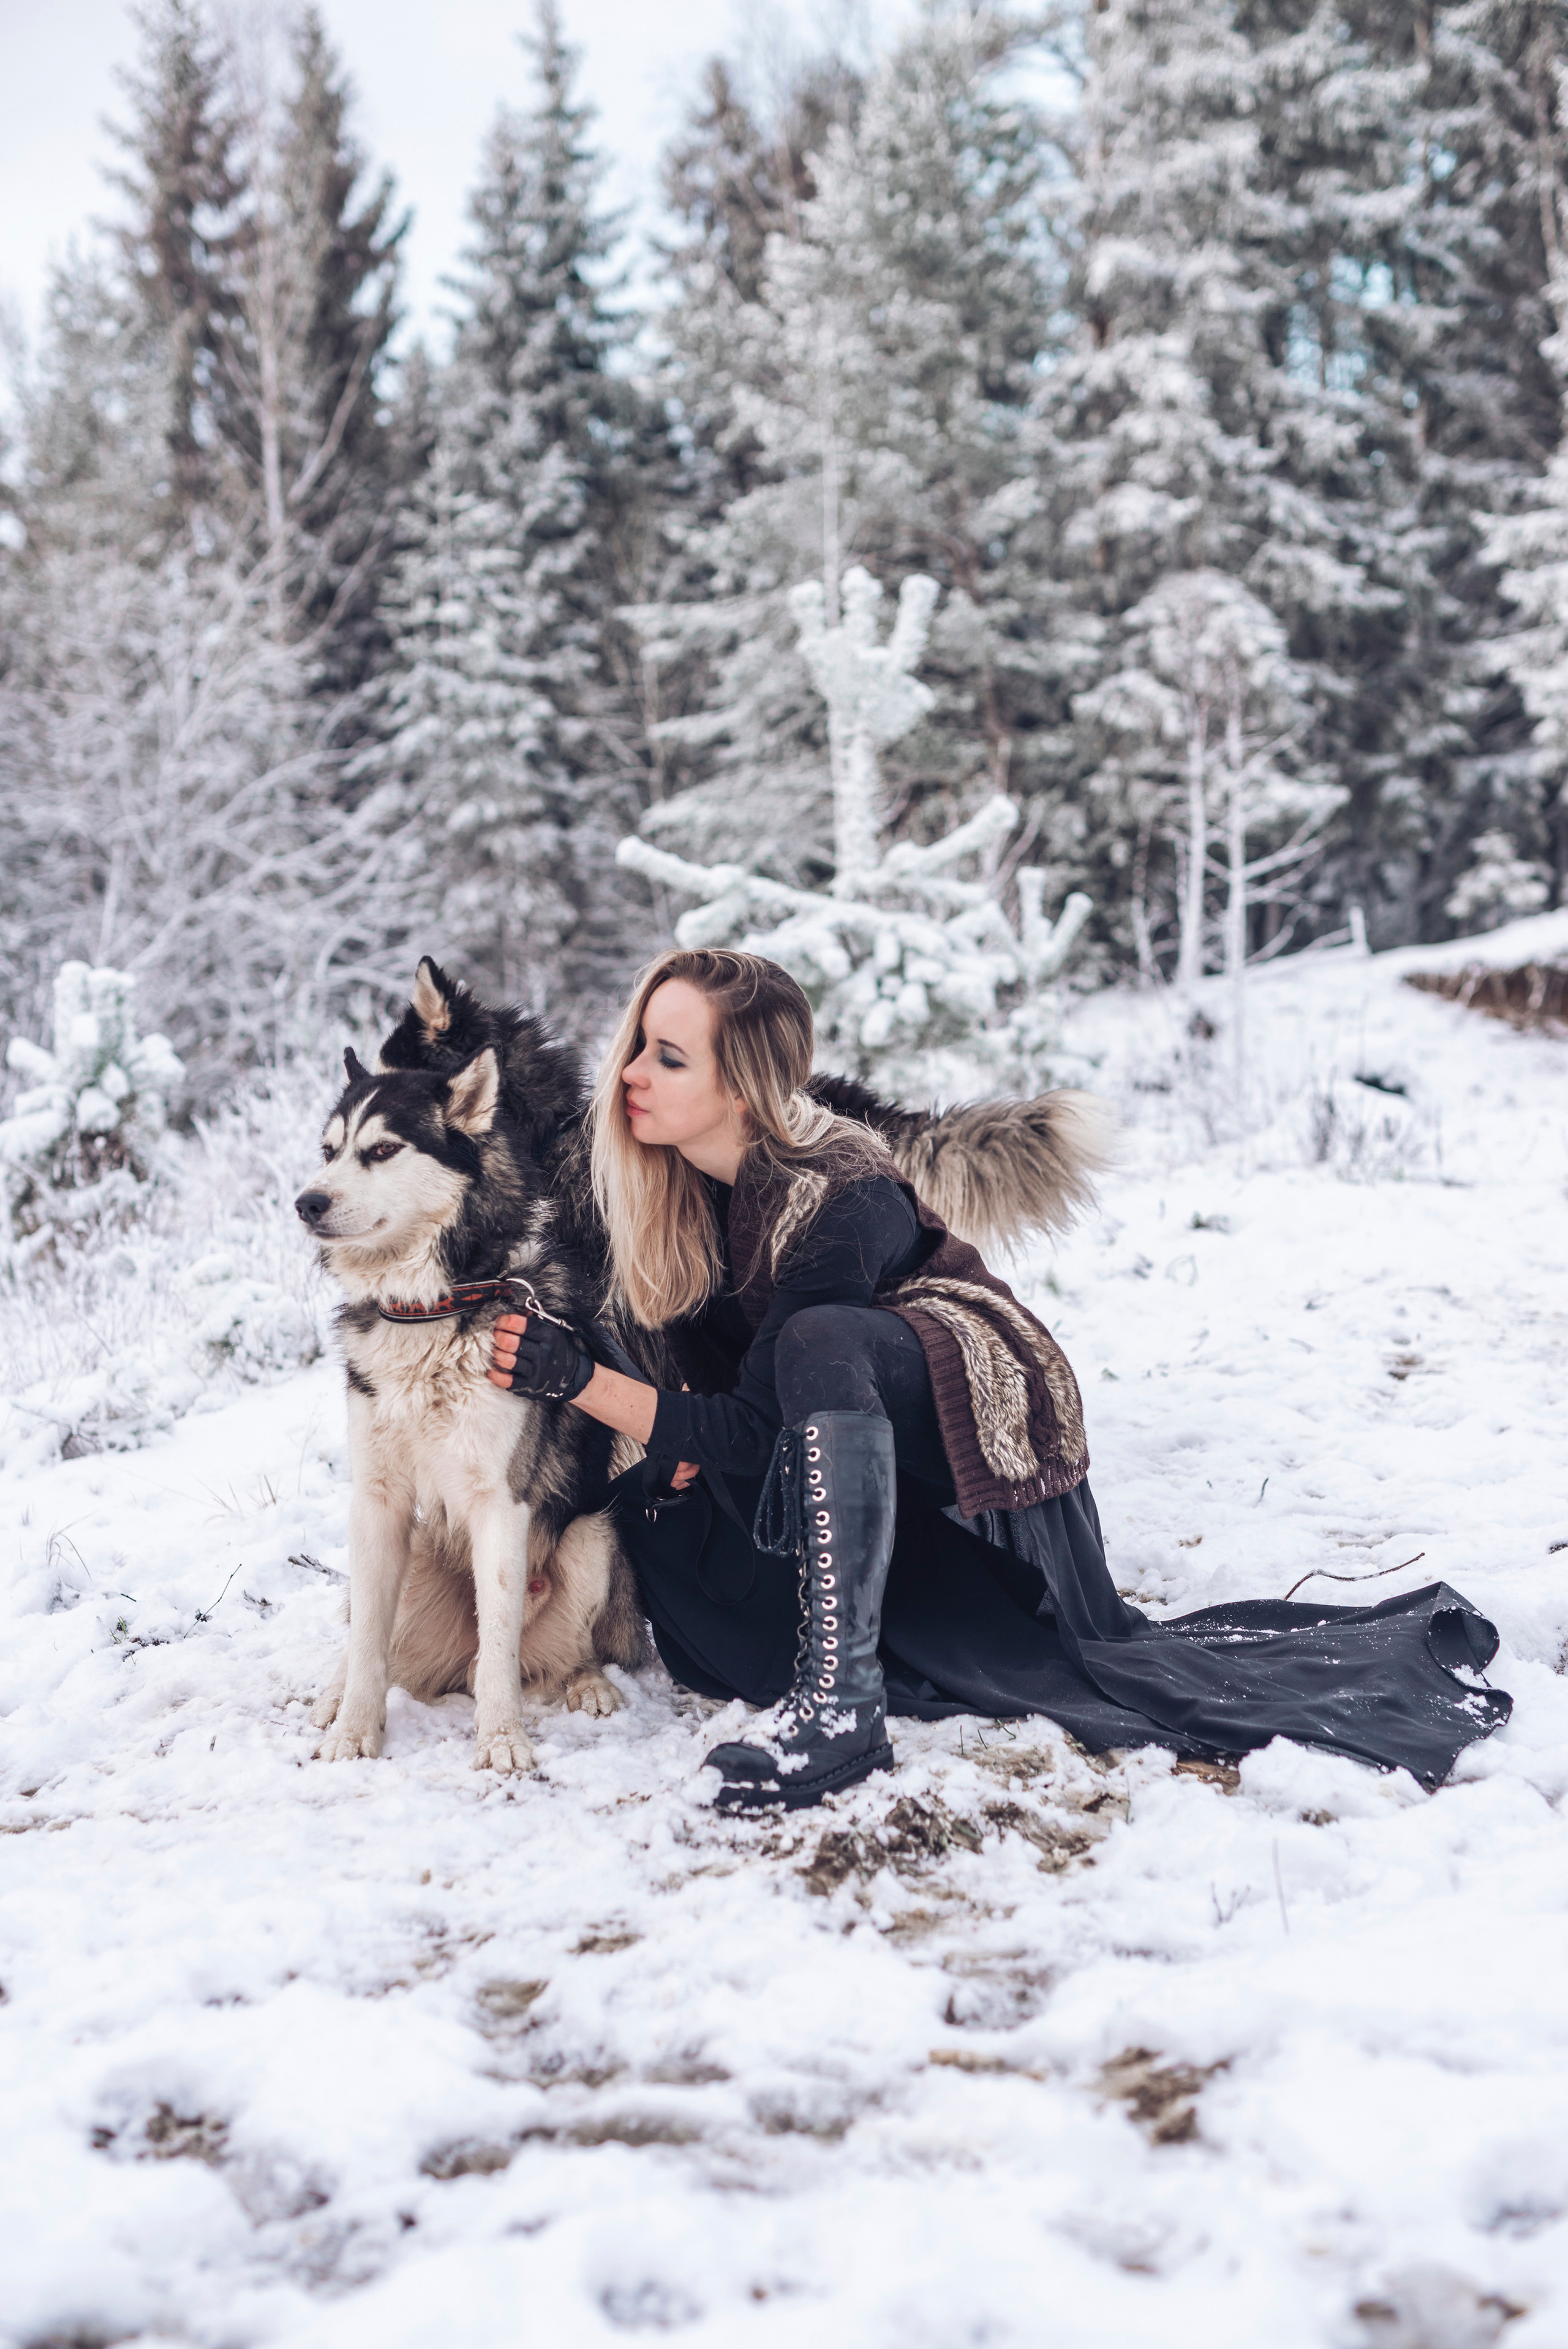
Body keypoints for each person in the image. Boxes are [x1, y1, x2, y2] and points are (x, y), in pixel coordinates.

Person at [488, 948, 1510, 1812]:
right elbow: (726, 1416)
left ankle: (843, 1711)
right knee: (720, 1635)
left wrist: (580, 1383)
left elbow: (760, 1422)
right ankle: (825, 1662)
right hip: (839, 1435)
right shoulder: (679, 1194)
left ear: (745, 1086)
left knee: (821, 1344)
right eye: (636, 1045)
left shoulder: (837, 1194)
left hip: (967, 1416)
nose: (631, 1073)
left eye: (668, 1056)